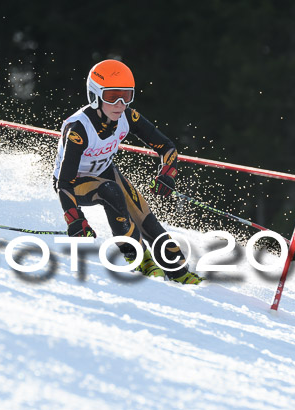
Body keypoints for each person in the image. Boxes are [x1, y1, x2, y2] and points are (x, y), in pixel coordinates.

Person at [52, 59, 203, 284]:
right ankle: (139, 258)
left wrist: (167, 174)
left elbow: (167, 147)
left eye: (127, 95)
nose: (121, 104)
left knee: (144, 216)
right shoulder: (79, 129)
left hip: (105, 172)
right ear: (95, 96)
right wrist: (75, 220)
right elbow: (63, 183)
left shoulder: (126, 116)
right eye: (113, 96)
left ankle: (179, 270)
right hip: (75, 183)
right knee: (111, 192)